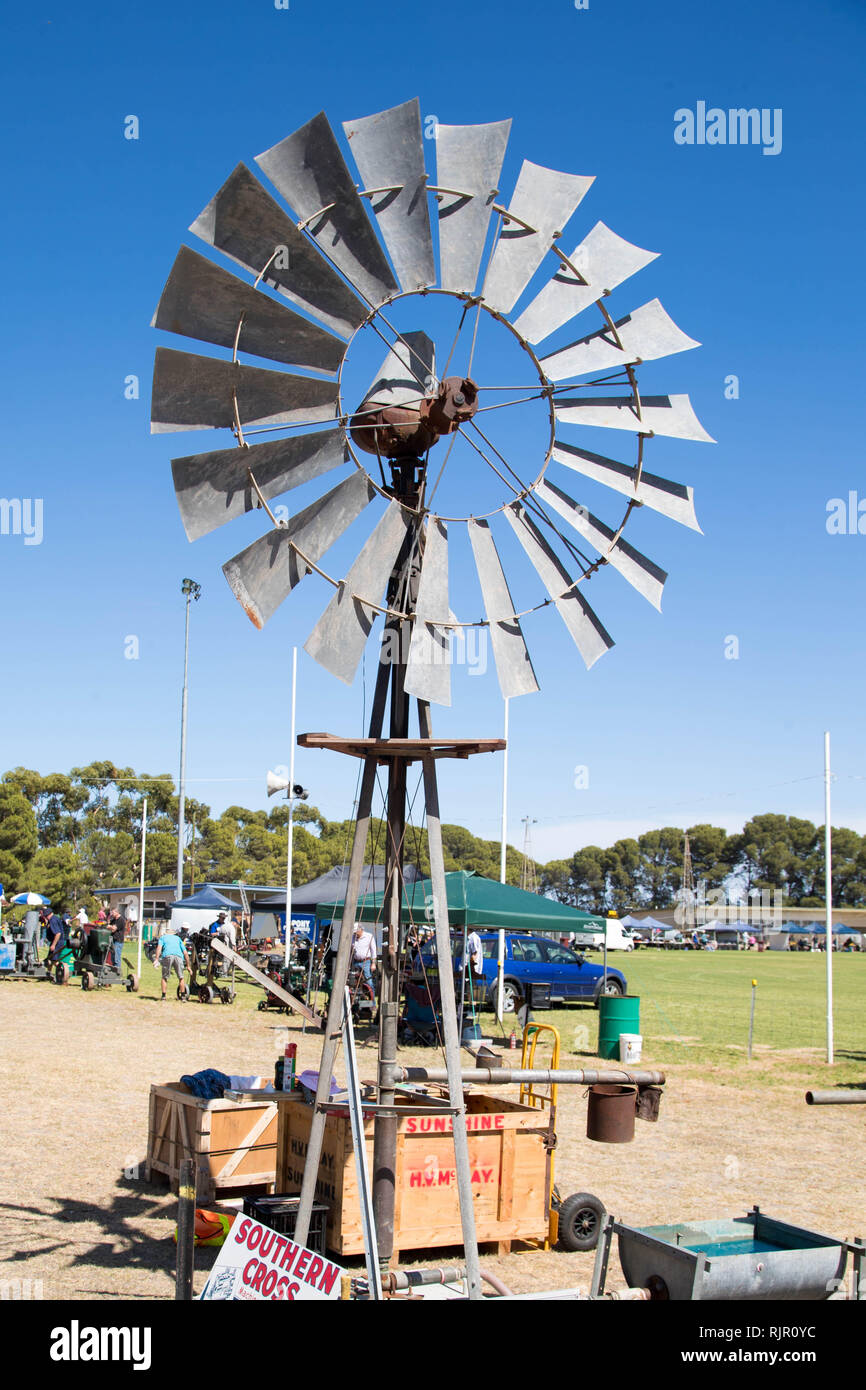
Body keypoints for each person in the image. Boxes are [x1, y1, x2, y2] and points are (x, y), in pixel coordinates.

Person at [154, 925, 191, 1001]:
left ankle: (164, 996)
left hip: (167, 955)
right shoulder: (178, 939)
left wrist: (156, 959)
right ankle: (183, 997)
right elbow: (185, 953)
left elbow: (159, 948)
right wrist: (188, 966)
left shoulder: (163, 938)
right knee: (181, 977)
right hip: (179, 956)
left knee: (164, 977)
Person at [352, 922, 377, 991]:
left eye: (356, 932)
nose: (355, 934)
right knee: (353, 981)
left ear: (361, 930)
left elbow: (373, 951)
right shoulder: (353, 938)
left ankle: (372, 1000)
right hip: (355, 962)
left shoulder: (369, 936)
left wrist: (373, 963)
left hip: (366, 962)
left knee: (369, 981)